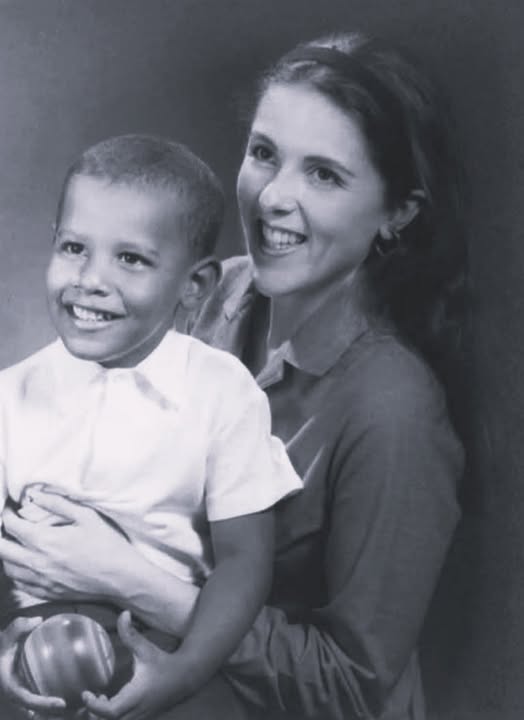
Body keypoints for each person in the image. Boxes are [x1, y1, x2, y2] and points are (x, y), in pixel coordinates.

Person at [0, 31, 466, 720]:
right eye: (265, 153)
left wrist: (136, 582)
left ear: (398, 213)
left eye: (324, 175)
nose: (273, 196)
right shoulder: (207, 295)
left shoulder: (395, 411)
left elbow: (353, 687)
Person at [0, 134, 302, 717]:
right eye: (74, 248)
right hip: (32, 640)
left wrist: (184, 672)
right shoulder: (12, 396)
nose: (91, 279)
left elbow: (244, 563)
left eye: (131, 259)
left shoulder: (223, 392)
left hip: (168, 644)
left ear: (195, 286)